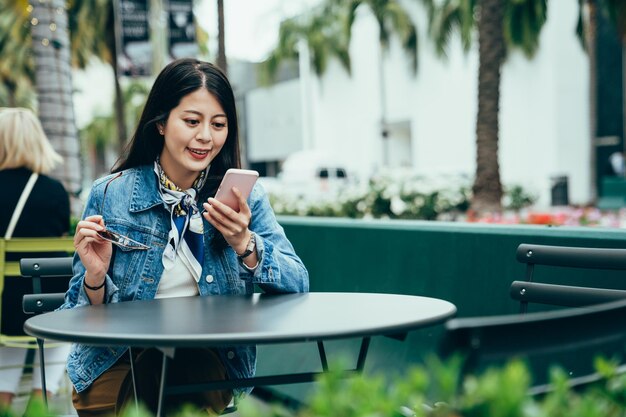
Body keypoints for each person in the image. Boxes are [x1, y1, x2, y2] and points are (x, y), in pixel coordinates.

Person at [64, 58, 309, 416]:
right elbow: (77, 314)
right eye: (192, 121)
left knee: (179, 369)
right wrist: (95, 278)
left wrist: (245, 243)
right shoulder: (110, 194)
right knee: (159, 376)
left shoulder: (244, 197)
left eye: (219, 124)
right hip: (115, 360)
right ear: (161, 123)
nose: (206, 136)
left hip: (207, 361)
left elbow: (298, 282)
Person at [0, 107, 71, 409]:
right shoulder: (55, 192)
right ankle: (41, 404)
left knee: (8, 330)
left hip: (3, 309)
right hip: (46, 307)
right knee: (60, 330)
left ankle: (3, 403)